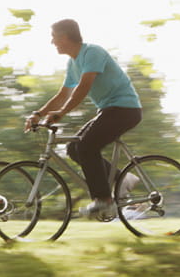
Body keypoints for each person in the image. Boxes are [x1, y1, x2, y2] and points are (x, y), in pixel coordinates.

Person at [25, 19, 143, 219]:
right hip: (109, 109)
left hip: (125, 108)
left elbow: (84, 87)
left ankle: (104, 200)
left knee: (87, 147)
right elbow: (63, 93)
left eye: (53, 37)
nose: (52, 42)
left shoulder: (92, 52)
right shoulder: (73, 62)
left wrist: (61, 113)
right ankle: (123, 179)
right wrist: (39, 113)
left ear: (64, 37)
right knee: (73, 148)